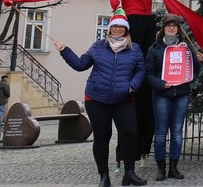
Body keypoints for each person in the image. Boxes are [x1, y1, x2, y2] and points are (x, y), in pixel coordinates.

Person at [53, 9, 147, 187]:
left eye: (121, 27)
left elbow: (141, 70)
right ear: (110, 29)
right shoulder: (98, 46)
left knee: (129, 134)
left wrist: (132, 85)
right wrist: (65, 51)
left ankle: (129, 173)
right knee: (102, 137)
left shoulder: (135, 49)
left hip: (124, 98)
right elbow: (81, 65)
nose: (118, 29)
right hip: (97, 98)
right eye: (115, 26)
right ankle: (104, 176)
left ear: (126, 30)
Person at [109, 0, 182, 165]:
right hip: (132, 14)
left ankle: (148, 71)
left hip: (147, 15)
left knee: (149, 49)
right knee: (135, 48)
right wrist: (118, 11)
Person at [145, 14, 203, 181]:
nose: (171, 28)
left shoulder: (185, 46)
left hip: (181, 93)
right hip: (162, 94)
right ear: (163, 28)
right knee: (161, 131)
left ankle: (173, 168)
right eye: (168, 25)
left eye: (174, 26)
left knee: (176, 131)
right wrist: (161, 84)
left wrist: (188, 51)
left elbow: (195, 68)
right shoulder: (154, 48)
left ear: (178, 28)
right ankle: (161, 168)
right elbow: (149, 73)